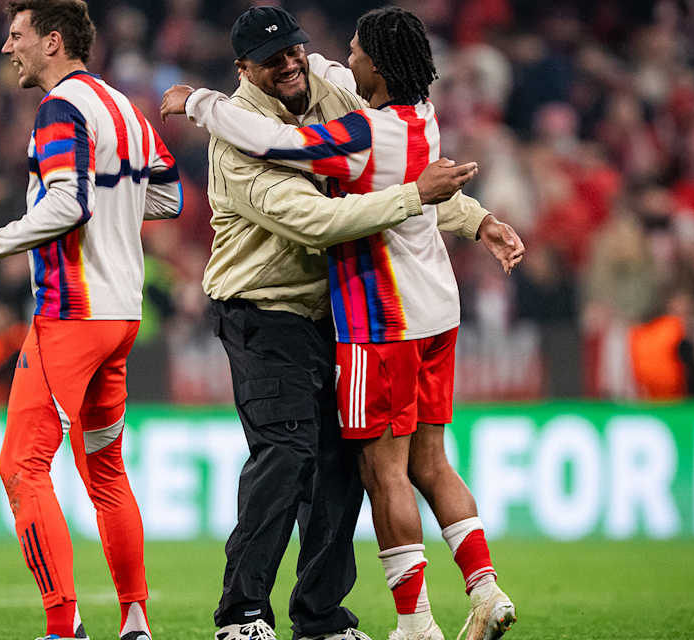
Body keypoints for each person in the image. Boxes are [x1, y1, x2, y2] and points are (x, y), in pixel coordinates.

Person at [162, 7, 523, 640]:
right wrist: (203, 106)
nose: (297, 63)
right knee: (287, 454)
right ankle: (243, 615)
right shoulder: (241, 140)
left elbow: (398, 176)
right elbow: (322, 219)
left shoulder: (341, 97)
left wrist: (470, 216)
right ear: (244, 68)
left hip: (350, 312)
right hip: (266, 310)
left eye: (298, 50)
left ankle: (323, 616)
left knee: (346, 468)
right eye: (274, 60)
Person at [0, 2, 181, 639]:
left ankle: (63, 629)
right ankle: (136, 622)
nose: (7, 48)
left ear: (52, 41)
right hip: (122, 317)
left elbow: (70, 204)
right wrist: (116, 211)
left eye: (17, 35)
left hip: (72, 316)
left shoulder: (58, 109)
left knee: (22, 465)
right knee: (105, 473)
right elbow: (169, 194)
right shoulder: (125, 107)